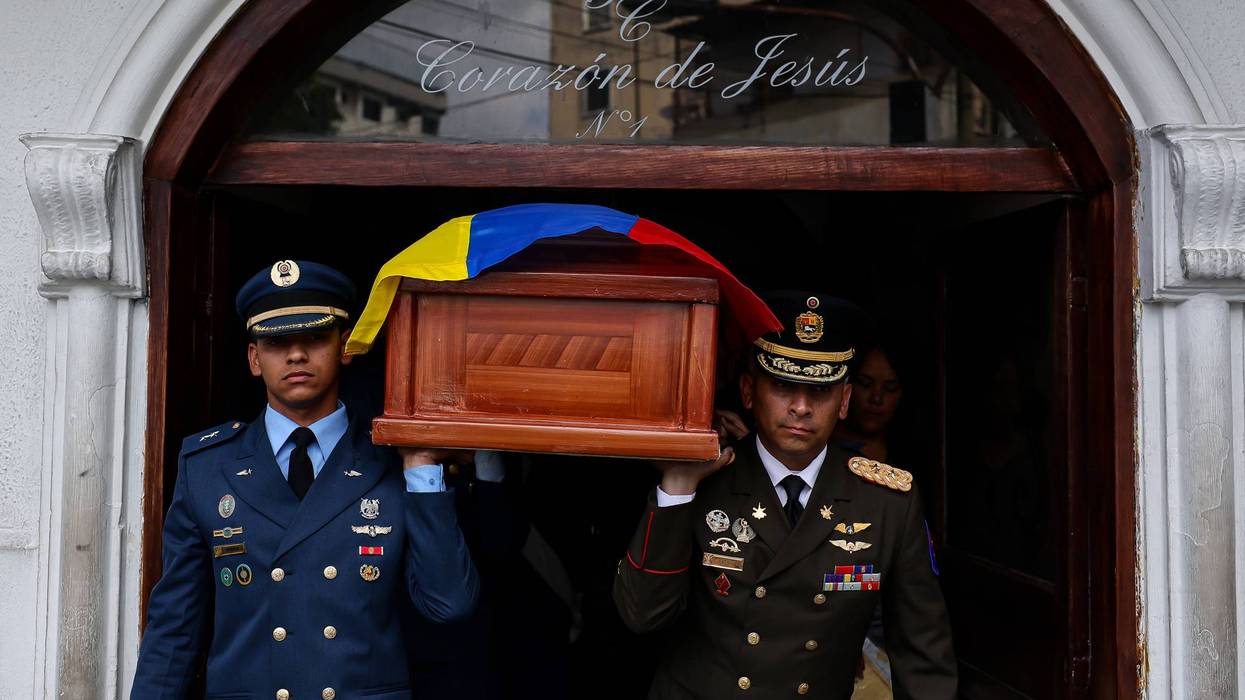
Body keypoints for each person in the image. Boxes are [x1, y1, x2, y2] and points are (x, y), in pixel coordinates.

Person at [131, 260, 480, 700]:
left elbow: (448, 604)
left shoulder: (393, 462)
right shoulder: (207, 465)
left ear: (344, 348)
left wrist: (423, 466)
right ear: (255, 359)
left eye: (315, 336)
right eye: (277, 341)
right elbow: (174, 629)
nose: (297, 354)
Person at [613, 291, 957, 699]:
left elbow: (924, 654)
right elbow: (642, 616)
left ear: (844, 400)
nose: (800, 407)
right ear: (747, 391)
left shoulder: (887, 501)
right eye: (782, 385)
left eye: (820, 392)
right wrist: (677, 487)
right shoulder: (705, 481)